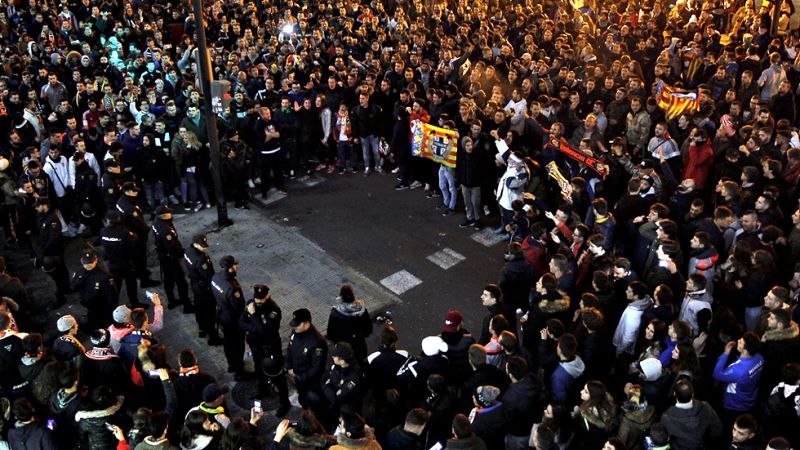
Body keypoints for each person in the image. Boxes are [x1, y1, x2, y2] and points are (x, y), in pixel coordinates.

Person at [239, 284, 290, 416]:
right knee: (259, 369)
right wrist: (255, 327)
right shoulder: (251, 304)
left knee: (277, 376)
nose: (258, 302)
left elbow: (265, 331)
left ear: (267, 296)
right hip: (256, 346)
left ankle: (285, 402)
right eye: (257, 299)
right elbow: (241, 322)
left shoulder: (273, 310)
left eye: (261, 299)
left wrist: (254, 315)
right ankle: (263, 390)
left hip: (270, 348)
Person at [211, 255, 249, 380]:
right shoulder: (233, 288)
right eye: (235, 265)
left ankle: (231, 365)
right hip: (234, 321)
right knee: (238, 346)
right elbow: (239, 307)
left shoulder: (215, 278)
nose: (236, 267)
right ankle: (239, 371)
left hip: (222, 315)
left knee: (228, 343)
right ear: (231, 268)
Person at [713, 332, 765, 417]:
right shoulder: (760, 358)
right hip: (750, 399)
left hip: (734, 404)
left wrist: (725, 353)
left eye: (740, 342)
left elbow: (717, 374)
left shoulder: (737, 370)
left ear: (745, 350)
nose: (738, 341)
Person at [660, 379, 723, 450]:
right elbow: (717, 429)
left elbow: (663, 439)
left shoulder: (666, 417)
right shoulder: (705, 407)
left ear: (674, 393)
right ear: (693, 394)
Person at [285, 308, 327, 411]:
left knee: (310, 397)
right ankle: (301, 399)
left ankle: (309, 410)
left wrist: (301, 377)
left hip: (308, 379)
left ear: (306, 324)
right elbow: (290, 349)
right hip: (296, 373)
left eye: (298, 325)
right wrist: (289, 366)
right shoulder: (295, 332)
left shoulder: (317, 342)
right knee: (301, 391)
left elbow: (317, 367)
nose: (295, 327)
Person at [183, 234, 221, 345]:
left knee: (199, 309)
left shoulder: (188, 252)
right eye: (202, 245)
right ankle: (213, 337)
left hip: (195, 284)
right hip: (204, 288)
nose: (204, 247)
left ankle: (202, 329)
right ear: (196, 244)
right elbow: (208, 276)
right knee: (209, 312)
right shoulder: (200, 259)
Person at [151, 205, 191, 311]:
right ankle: (187, 305)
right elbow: (171, 247)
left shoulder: (156, 222)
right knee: (181, 281)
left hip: (163, 256)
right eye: (169, 213)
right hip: (170, 258)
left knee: (168, 279)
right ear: (163, 216)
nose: (171, 214)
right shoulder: (166, 230)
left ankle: (171, 300)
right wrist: (179, 254)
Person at [70, 249, 118, 331]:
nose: (88, 265)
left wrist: (111, 311)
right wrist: (79, 281)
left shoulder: (104, 275)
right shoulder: (79, 271)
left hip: (100, 306)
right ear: (81, 261)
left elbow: (111, 295)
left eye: (90, 263)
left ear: (95, 260)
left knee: (102, 323)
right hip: (86, 303)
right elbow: (72, 287)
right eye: (86, 263)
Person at [326, 285, 373, 363]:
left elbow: (331, 335)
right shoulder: (362, 311)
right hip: (359, 346)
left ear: (341, 298)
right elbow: (368, 330)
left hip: (343, 348)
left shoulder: (335, 314)